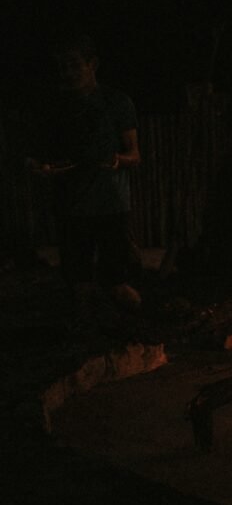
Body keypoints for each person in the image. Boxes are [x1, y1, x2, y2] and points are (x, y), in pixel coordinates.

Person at [27, 32, 142, 324]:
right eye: (63, 67)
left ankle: (141, 328)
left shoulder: (116, 103)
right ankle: (85, 341)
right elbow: (39, 156)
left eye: (74, 65)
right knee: (80, 286)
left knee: (116, 282)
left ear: (93, 64)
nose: (68, 72)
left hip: (110, 205)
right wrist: (40, 168)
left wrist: (116, 160)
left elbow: (135, 154)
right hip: (71, 206)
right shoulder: (56, 108)